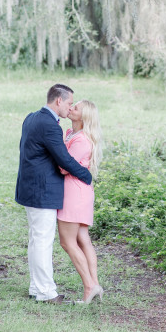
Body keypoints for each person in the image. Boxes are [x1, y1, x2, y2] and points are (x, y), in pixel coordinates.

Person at [15, 83, 92, 303]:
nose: (70, 108)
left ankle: (36, 288)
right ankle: (46, 293)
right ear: (59, 101)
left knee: (35, 240)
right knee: (42, 241)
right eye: (69, 103)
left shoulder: (31, 117)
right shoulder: (50, 125)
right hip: (42, 191)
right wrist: (86, 176)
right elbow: (64, 160)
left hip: (30, 188)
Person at [57, 99, 103, 304]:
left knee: (67, 242)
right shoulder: (72, 134)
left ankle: (89, 286)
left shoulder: (82, 140)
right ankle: (95, 284)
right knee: (82, 239)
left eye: (75, 108)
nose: (70, 108)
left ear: (83, 117)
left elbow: (65, 167)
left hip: (75, 192)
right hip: (79, 190)